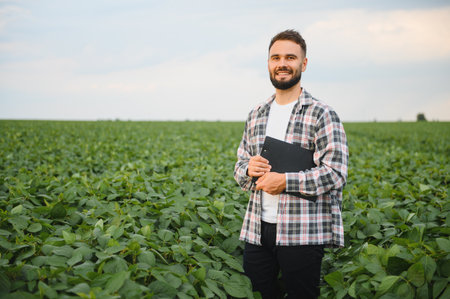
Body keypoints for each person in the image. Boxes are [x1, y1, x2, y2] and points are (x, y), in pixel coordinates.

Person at [234, 29, 348, 299]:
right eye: (275, 57)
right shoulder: (256, 114)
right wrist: (248, 170)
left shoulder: (322, 113)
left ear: (303, 64)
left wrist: (284, 181)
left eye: (290, 57)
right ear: (269, 64)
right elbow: (240, 166)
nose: (282, 63)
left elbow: (335, 172)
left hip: (303, 232)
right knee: (258, 293)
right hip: (257, 229)